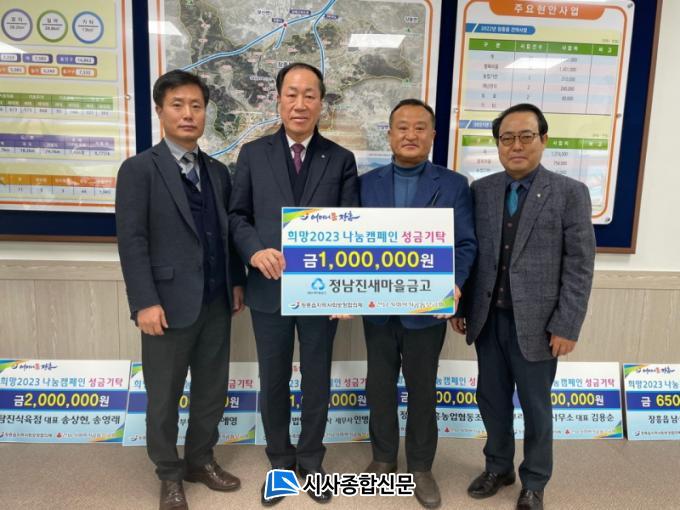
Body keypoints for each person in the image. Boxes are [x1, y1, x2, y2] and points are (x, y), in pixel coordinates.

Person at [451, 103, 595, 510]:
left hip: (539, 325)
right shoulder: (482, 191)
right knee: (491, 399)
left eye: (526, 136)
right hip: (488, 320)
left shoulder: (569, 193)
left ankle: (534, 480)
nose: (516, 145)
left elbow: (580, 264)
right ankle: (498, 467)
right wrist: (461, 309)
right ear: (498, 144)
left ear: (543, 140)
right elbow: (473, 253)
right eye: (507, 138)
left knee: (535, 406)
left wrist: (567, 324)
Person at [228, 62, 358, 506]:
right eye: (291, 94)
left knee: (317, 379)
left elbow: (351, 227)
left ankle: (312, 460)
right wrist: (253, 251)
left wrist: (347, 287)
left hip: (322, 293)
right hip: (269, 288)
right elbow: (237, 216)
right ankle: (280, 462)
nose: (300, 104)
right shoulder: (253, 154)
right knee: (274, 379)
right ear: (278, 99)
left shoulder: (340, 159)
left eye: (309, 95)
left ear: (321, 102)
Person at [116, 69, 246, 510]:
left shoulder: (218, 172)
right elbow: (132, 241)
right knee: (164, 397)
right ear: (160, 111)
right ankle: (169, 474)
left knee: (212, 390)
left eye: (196, 105)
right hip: (166, 306)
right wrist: (144, 302)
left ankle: (200, 460)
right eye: (178, 105)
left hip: (215, 301)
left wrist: (235, 281)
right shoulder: (139, 170)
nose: (188, 114)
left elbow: (225, 235)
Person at [359, 98, 477, 509]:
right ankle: (383, 459)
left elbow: (465, 244)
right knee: (378, 387)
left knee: (422, 391)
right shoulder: (365, 183)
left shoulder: (454, 184)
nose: (411, 135)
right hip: (377, 309)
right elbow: (349, 241)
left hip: (427, 312)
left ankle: (421, 468)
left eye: (420, 127)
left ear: (433, 135)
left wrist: (456, 283)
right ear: (389, 134)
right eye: (402, 127)